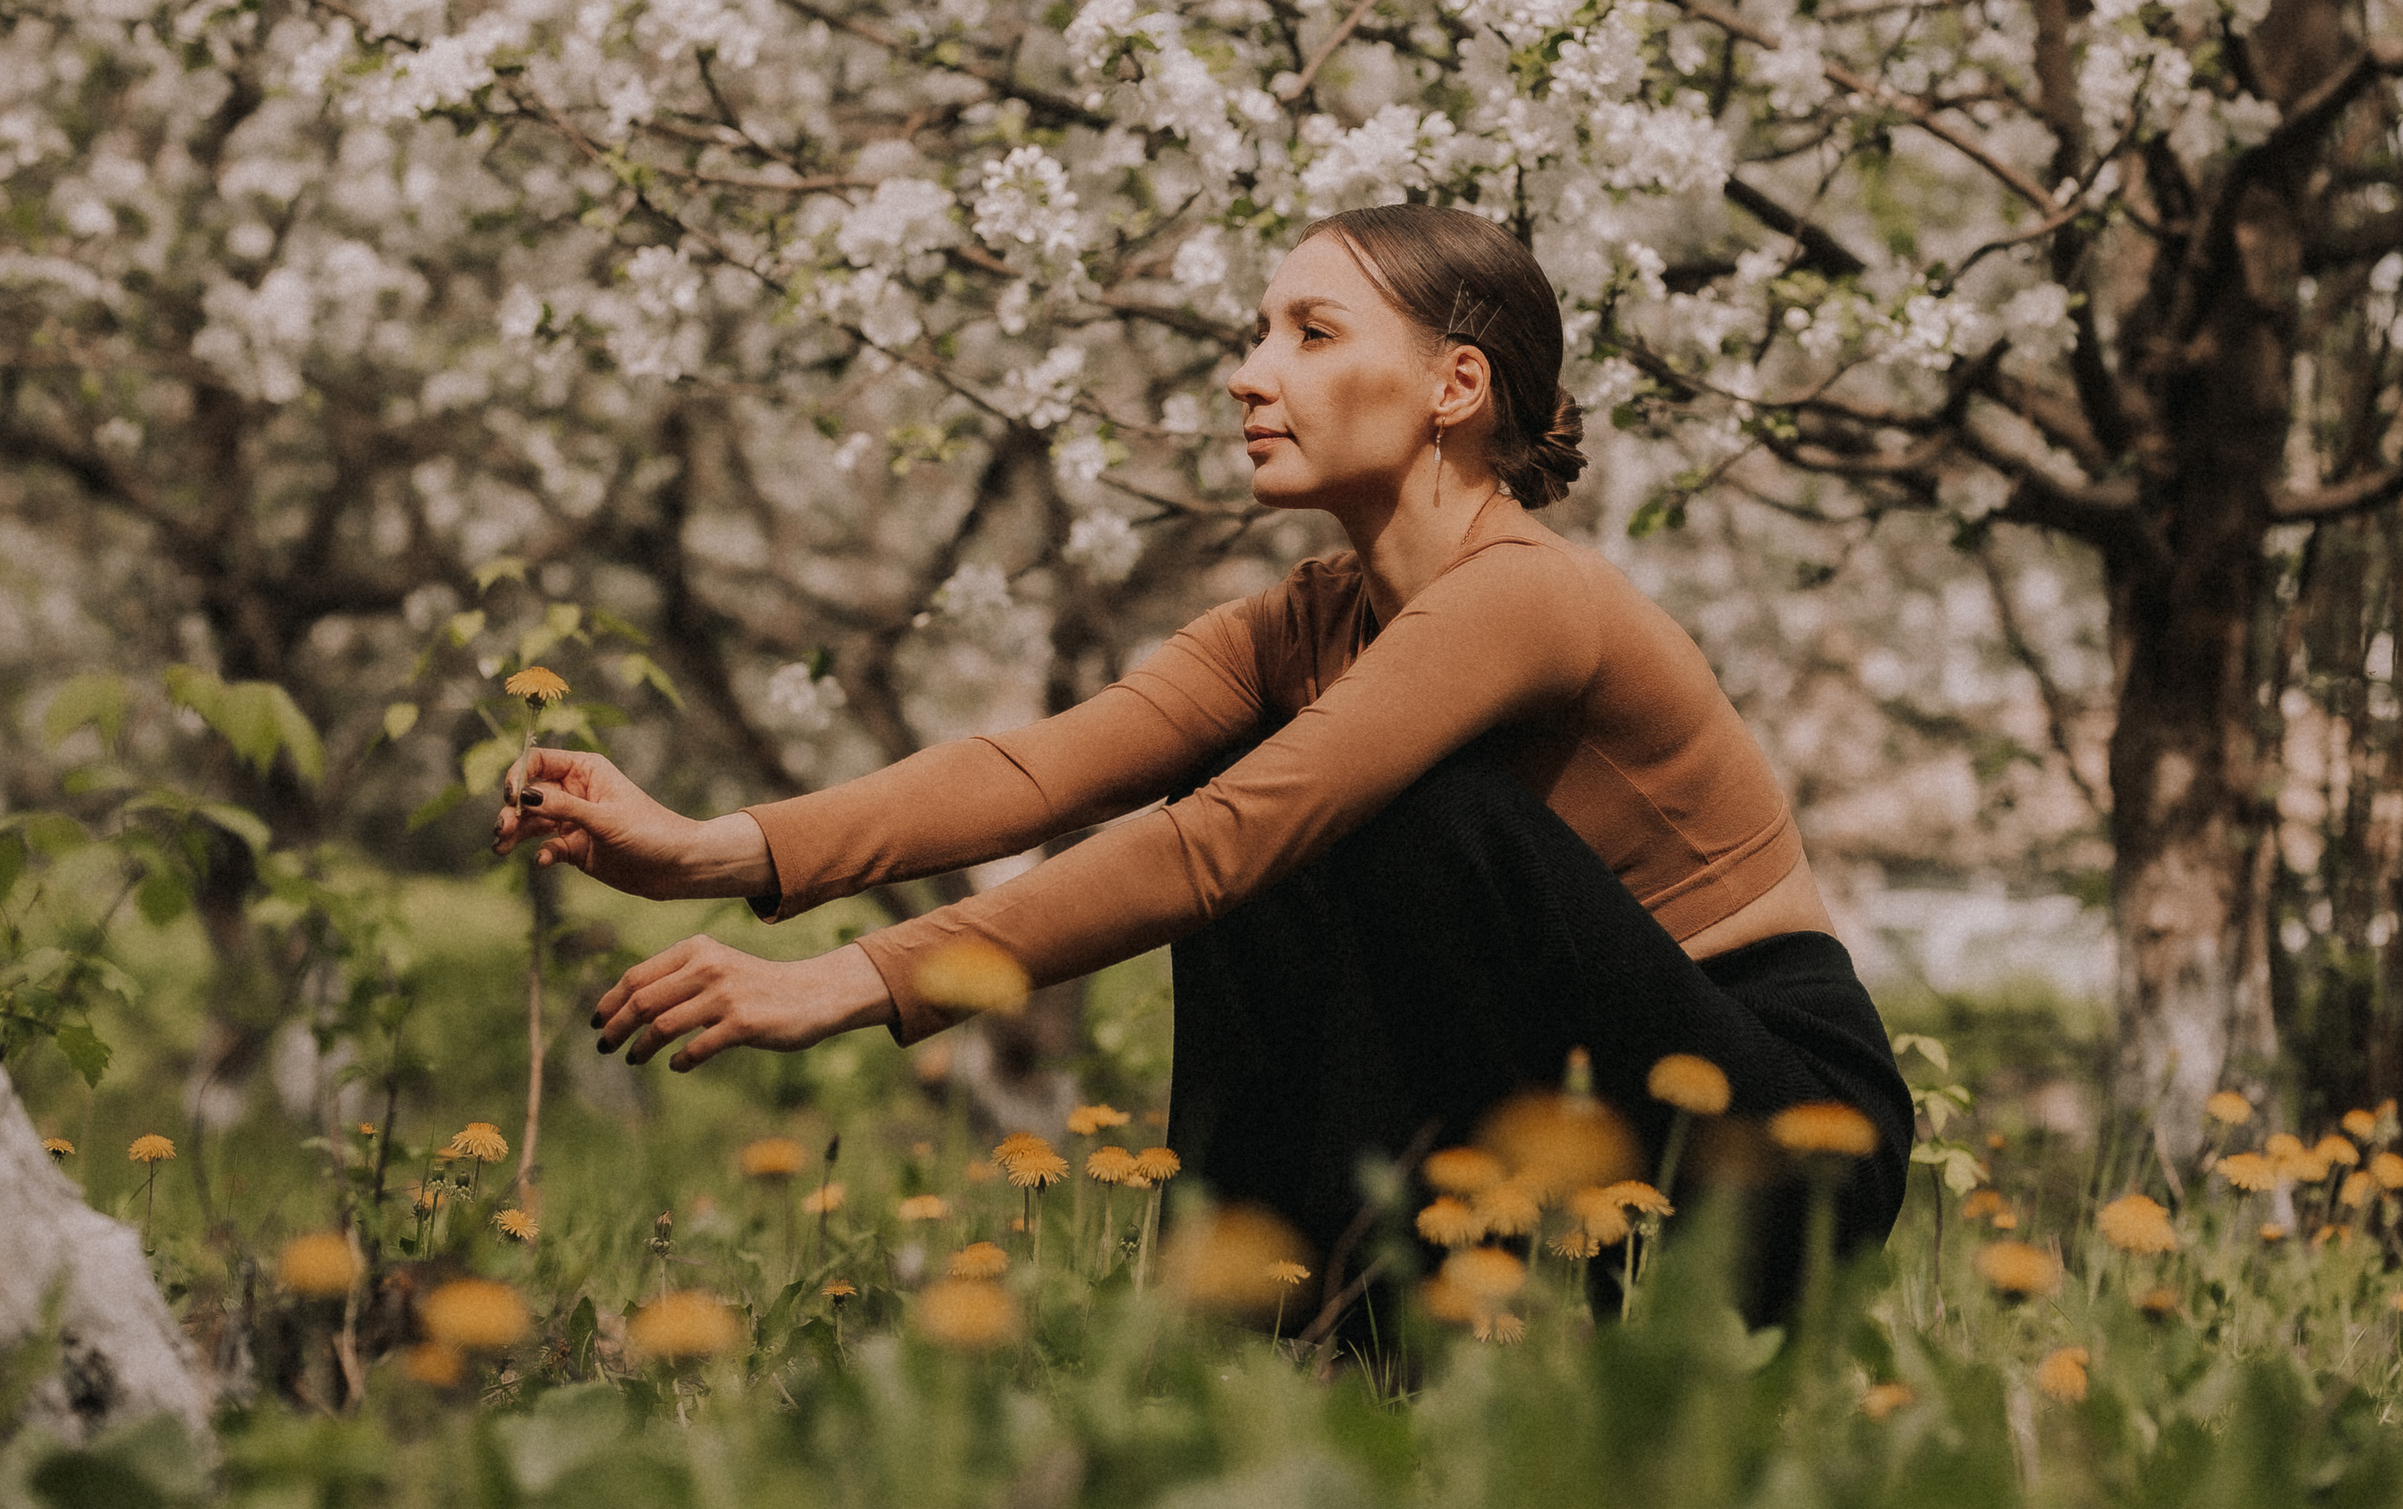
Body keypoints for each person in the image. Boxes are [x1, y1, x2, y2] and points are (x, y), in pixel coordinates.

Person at [494, 204, 1911, 1319]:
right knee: (1295, 817)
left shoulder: (1531, 594)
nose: (1248, 372)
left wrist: (848, 983)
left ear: (1455, 384)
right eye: (1258, 332)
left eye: (1311, 333)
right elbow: (1037, 773)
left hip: (1781, 1136)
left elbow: (1226, 840)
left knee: (1369, 819)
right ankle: (1278, 1341)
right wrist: (713, 851)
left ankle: (1321, 1327)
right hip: (1585, 1105)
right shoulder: (1308, 621)